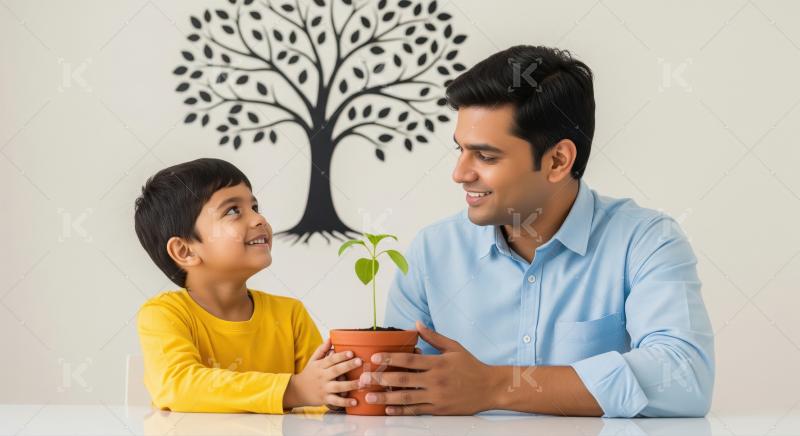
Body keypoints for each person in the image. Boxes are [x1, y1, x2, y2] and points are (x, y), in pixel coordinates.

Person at [369, 45, 715, 418]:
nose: (460, 173)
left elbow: (684, 377)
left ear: (557, 161)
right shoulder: (432, 251)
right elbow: (399, 390)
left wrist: (494, 386)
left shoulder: (645, 240)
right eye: (461, 150)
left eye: (485, 156)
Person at [134, 158, 362, 413]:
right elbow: (179, 386)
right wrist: (293, 390)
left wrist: (333, 398)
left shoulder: (290, 314)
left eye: (255, 206)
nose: (258, 219)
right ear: (185, 250)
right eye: (233, 211)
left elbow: (317, 403)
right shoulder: (164, 314)